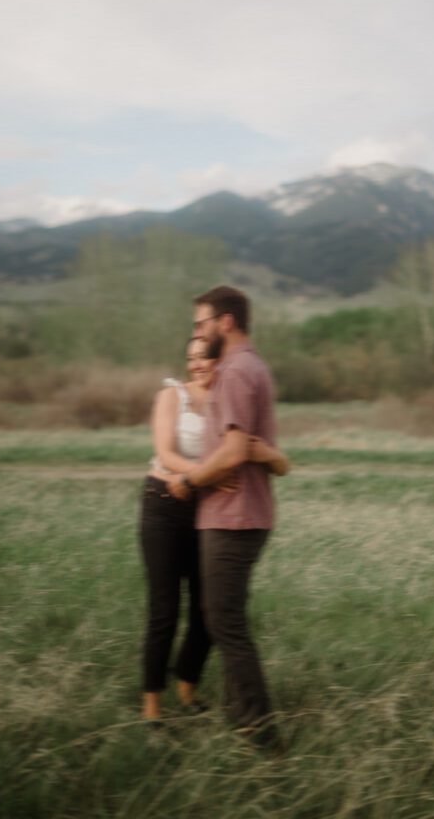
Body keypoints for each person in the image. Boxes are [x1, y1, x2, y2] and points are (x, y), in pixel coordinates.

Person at [141, 335, 288, 725]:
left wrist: (216, 476)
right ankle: (152, 707)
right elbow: (167, 453)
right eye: (191, 358)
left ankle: (187, 689)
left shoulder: (228, 399)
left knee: (207, 611)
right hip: (164, 505)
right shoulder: (173, 397)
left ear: (219, 361)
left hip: (205, 509)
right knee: (164, 610)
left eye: (205, 357)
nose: (197, 364)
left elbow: (244, 451)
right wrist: (206, 475)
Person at [165, 286, 280, 742]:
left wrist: (189, 481)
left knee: (226, 624)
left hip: (232, 516)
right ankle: (242, 714)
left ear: (225, 322)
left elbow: (233, 453)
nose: (197, 331)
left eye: (201, 323)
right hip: (243, 514)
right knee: (222, 619)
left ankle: (260, 729)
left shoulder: (234, 372)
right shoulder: (254, 366)